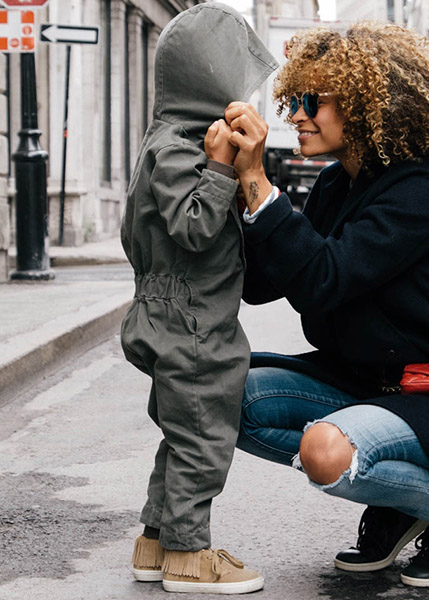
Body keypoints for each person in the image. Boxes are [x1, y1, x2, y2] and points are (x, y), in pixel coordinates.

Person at [225, 21, 429, 588]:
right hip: (368, 384)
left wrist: (259, 183)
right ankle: (402, 501)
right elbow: (263, 282)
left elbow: (323, 279)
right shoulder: (336, 185)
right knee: (222, 398)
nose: (296, 116)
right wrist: (233, 182)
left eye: (312, 101)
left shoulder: (421, 190)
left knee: (324, 452)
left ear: (367, 105)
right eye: (293, 100)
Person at [119, 3, 277, 594]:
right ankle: (189, 556)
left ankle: (156, 543)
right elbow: (194, 227)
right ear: (208, 78)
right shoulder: (183, 149)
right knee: (204, 441)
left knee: (181, 435)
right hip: (192, 322)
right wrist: (219, 169)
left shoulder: (164, 140)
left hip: (168, 312)